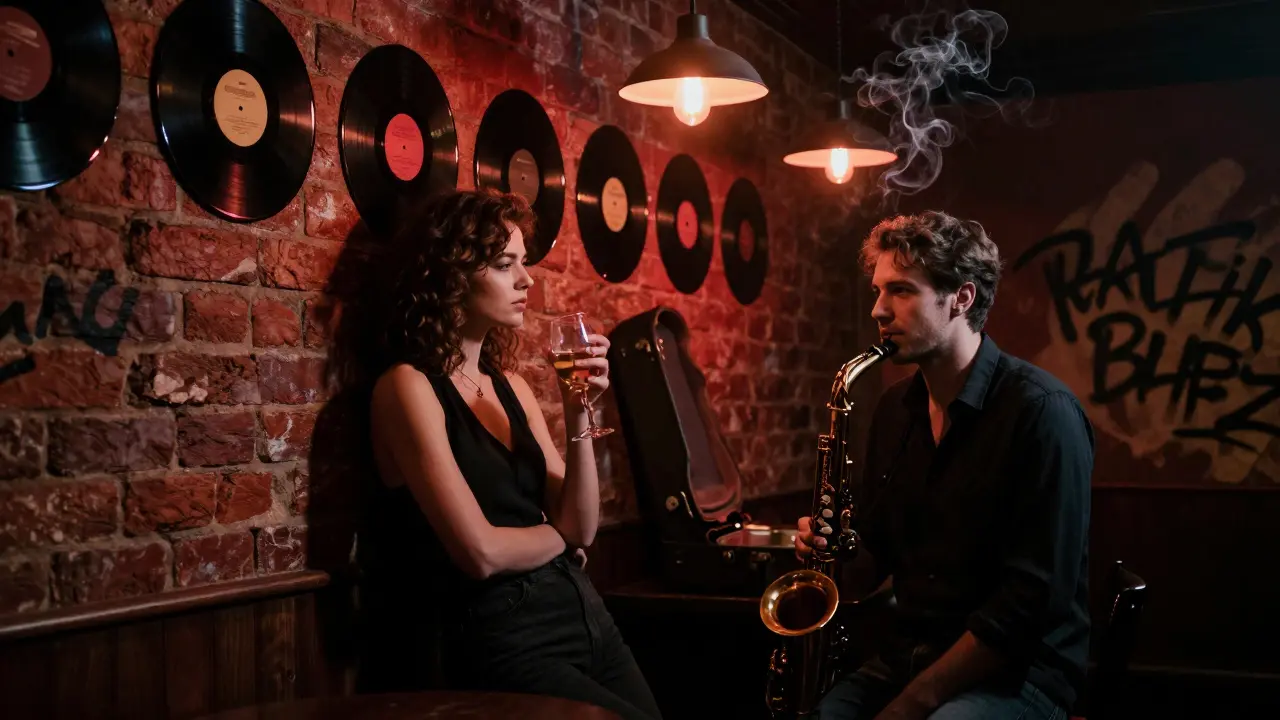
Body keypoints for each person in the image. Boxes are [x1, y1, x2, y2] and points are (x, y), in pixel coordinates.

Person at [357, 188, 663, 720]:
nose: (527, 281)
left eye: (523, 263)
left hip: (583, 612)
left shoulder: (511, 387)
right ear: (450, 274)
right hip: (501, 633)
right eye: (505, 265)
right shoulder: (407, 387)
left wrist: (578, 412)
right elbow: (480, 554)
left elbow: (585, 524)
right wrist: (560, 538)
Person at [794, 211, 1094, 720]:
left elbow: (1028, 605)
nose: (878, 311)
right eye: (877, 290)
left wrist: (916, 700)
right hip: (909, 657)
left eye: (901, 291)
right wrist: (832, 548)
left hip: (1018, 673)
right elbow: (877, 553)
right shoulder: (894, 411)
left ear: (962, 298)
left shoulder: (1043, 413)